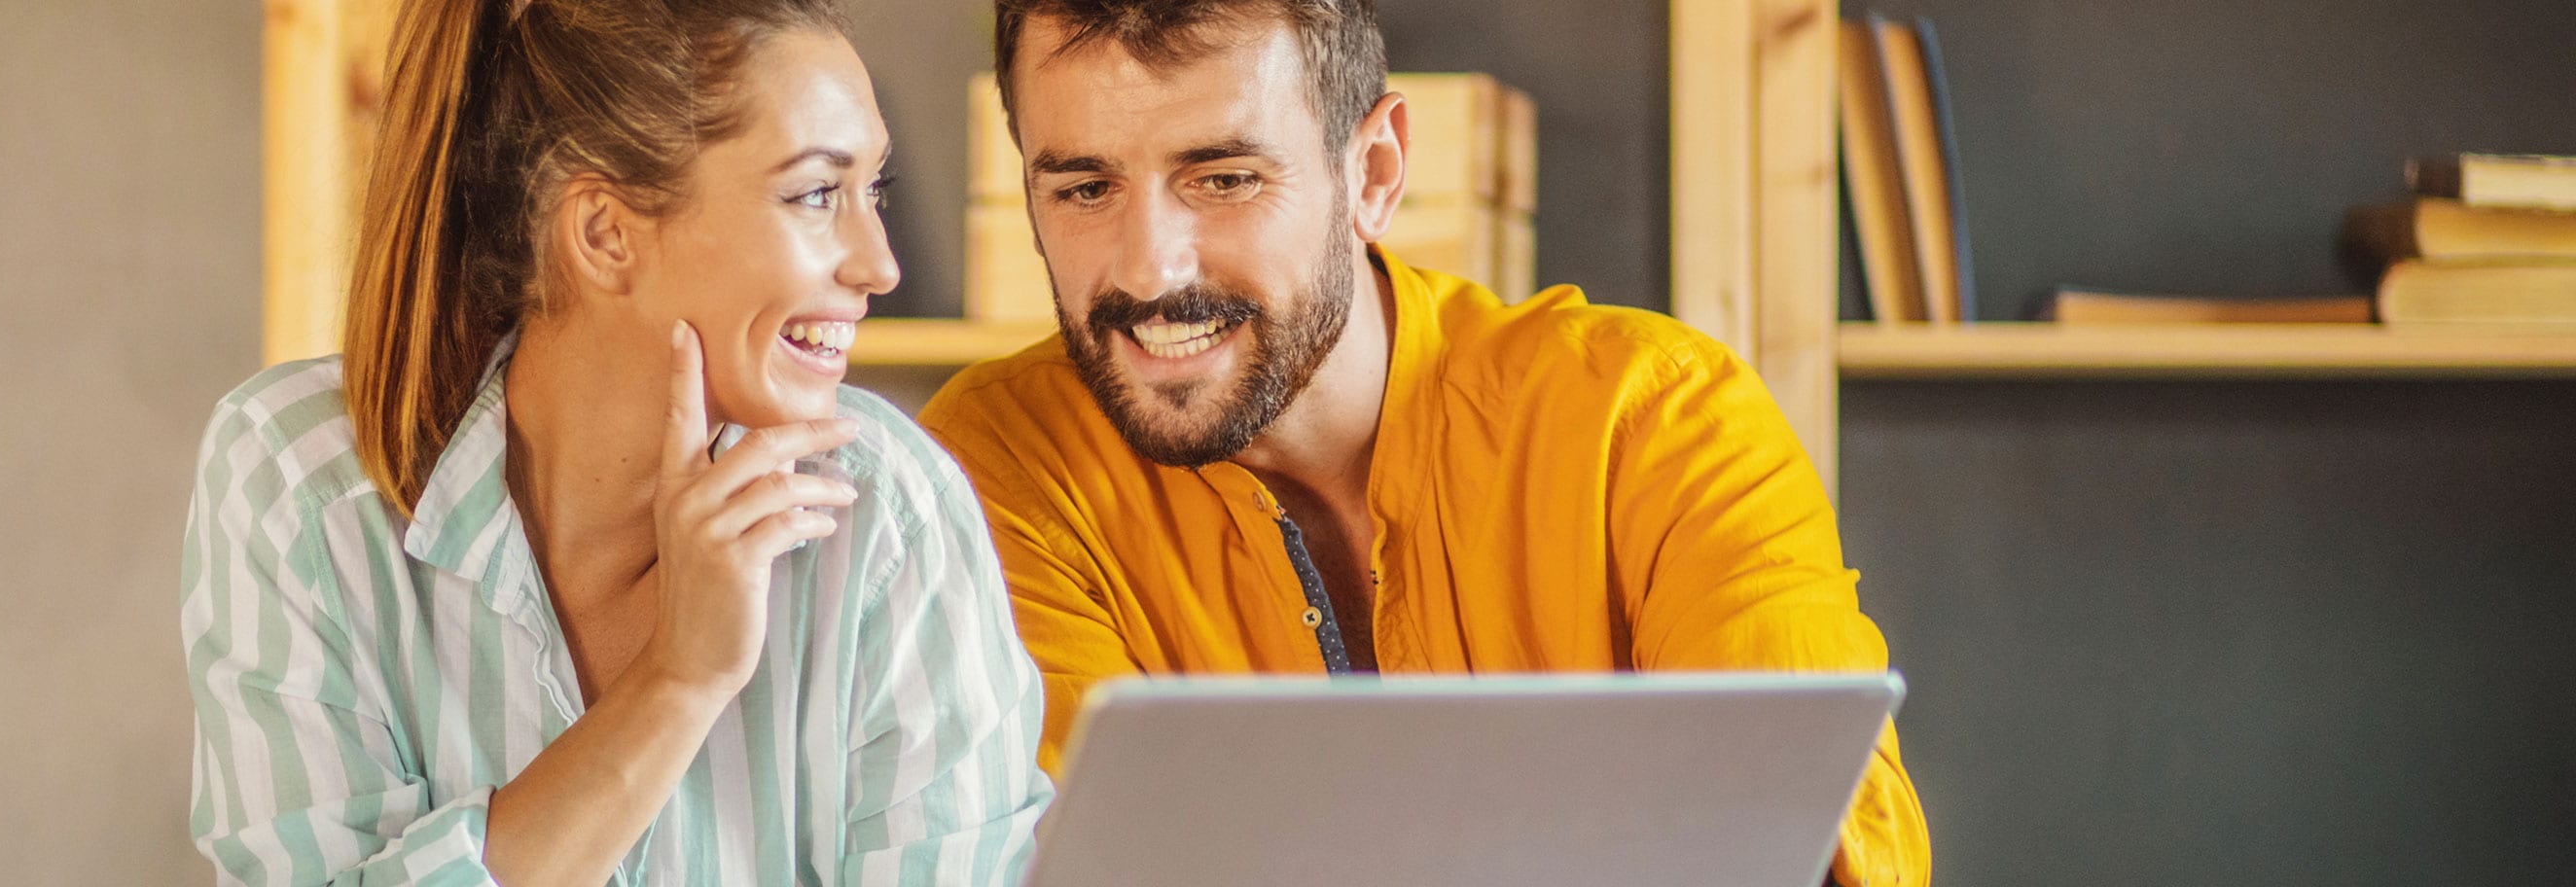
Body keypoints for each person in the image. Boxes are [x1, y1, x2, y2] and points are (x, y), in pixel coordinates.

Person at [914, 1, 1929, 883]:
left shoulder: (1657, 416)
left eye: (1223, 178)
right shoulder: (992, 468)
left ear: (1374, 172)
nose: (1149, 270)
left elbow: (1824, 848)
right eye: (1084, 189)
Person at [177, 1, 1050, 883]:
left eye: (875, 191)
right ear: (605, 234)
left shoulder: (892, 517)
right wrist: (678, 680)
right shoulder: (304, 486)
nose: (880, 265)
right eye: (817, 194)